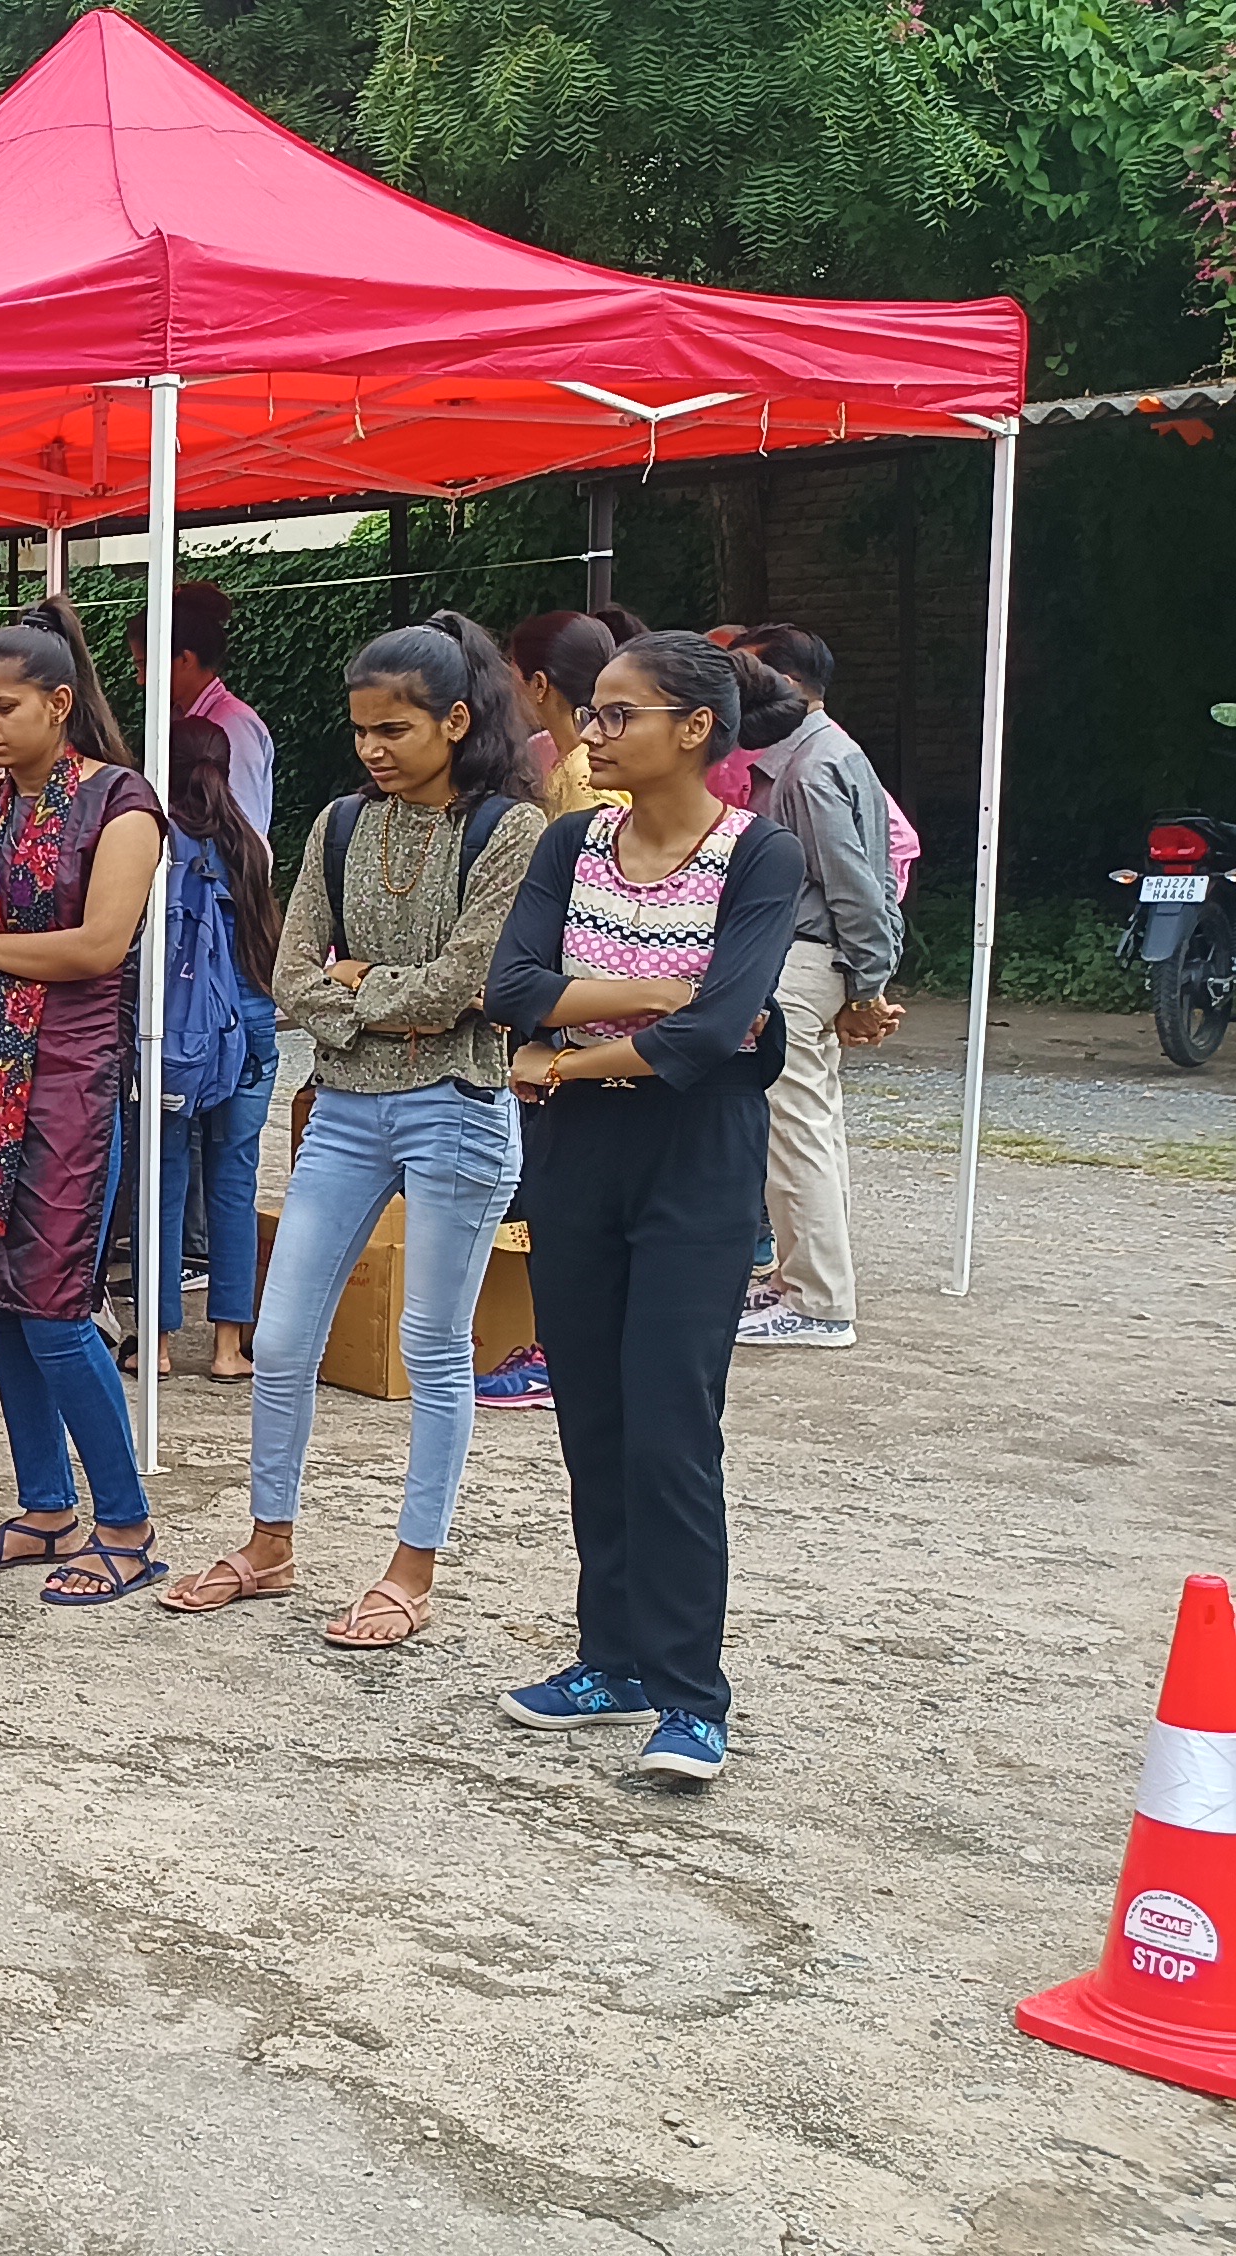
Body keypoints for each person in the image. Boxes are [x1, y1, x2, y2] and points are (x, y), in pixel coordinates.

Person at [162, 614, 547, 1648]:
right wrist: (383, 999)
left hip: (457, 1107)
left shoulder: (510, 830)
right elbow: (287, 978)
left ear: (456, 721)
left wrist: (357, 985)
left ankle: (410, 1567)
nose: (372, 750)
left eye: (395, 730)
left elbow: (475, 986)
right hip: (342, 1106)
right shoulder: (337, 822)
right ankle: (268, 1543)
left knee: (432, 1345)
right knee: (281, 1339)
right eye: (361, 730)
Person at [486, 631, 806, 1786]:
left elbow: (722, 1032)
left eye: (618, 715)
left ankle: (688, 1694)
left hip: (694, 1164)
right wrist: (661, 997)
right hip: (580, 1164)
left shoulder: (757, 856)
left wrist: (566, 1060)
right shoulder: (570, 841)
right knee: (595, 1420)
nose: (590, 733)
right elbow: (509, 986)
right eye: (595, 713)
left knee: (671, 1429)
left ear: (695, 730)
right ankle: (608, 1657)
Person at [0, 597, 165, 1603]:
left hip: (66, 1078)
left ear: (59, 704)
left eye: (5, 707)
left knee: (54, 1305)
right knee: (1, 1302)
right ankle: (48, 1510)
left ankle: (127, 1526)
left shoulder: (121, 804)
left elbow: (97, 947)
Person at [726, 623, 906, 1352]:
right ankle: (802, 1283)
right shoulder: (829, 751)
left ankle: (819, 1302)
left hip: (807, 958)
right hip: (819, 958)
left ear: (785, 689)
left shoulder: (807, 769)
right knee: (811, 1127)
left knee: (795, 1132)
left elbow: (856, 884)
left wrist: (868, 982)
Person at [131, 713, 281, 1386]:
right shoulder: (252, 847)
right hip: (249, 1026)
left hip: (178, 1031)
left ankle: (156, 1341)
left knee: (162, 1180)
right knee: (234, 1180)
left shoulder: (156, 848)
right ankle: (227, 1347)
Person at [170, 581, 276, 836]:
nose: (142, 679)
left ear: (185, 659)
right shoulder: (181, 715)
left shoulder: (233, 725)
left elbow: (245, 825)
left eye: (146, 665)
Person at [505, 612, 620, 814]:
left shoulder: (587, 782)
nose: (507, 687)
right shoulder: (592, 761)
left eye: (512, 673)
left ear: (539, 685)